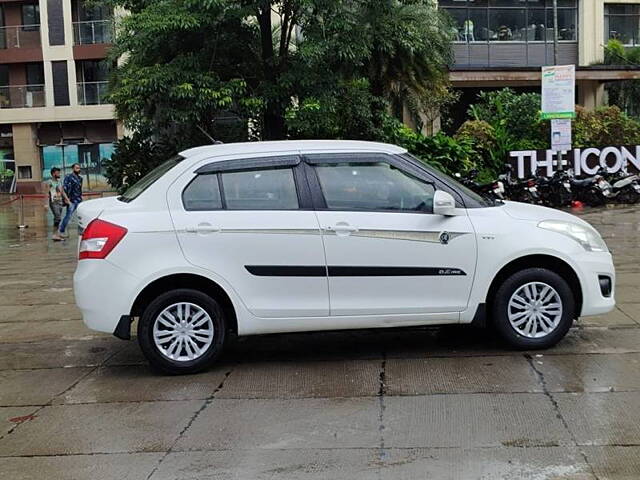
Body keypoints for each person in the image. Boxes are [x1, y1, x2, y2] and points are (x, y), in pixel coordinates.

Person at [52, 163, 83, 241]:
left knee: (81, 215)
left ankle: (82, 230)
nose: (78, 169)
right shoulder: (68, 177)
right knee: (68, 216)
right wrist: (67, 199)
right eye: (76, 168)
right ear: (73, 169)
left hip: (78, 199)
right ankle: (61, 231)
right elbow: (64, 189)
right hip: (71, 200)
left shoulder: (80, 178)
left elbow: (79, 189)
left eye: (79, 168)